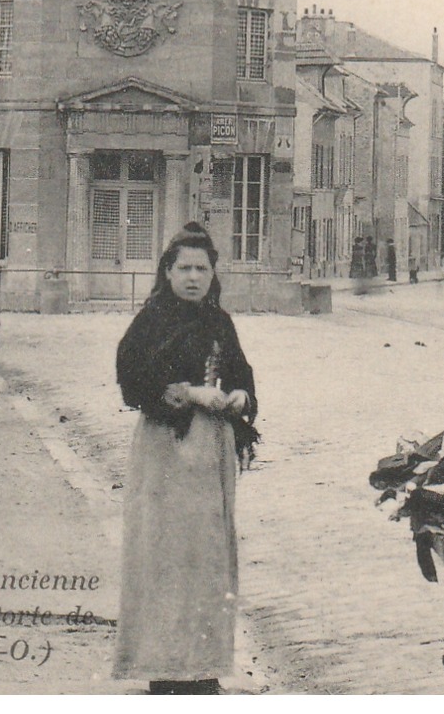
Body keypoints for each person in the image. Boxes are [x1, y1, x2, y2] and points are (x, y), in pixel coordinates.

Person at [114, 223, 259, 695]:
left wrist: (239, 395)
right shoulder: (151, 320)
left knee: (208, 558)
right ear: (168, 272)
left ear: (213, 273)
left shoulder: (220, 321)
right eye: (184, 269)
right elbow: (132, 380)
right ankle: (165, 669)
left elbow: (241, 373)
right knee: (166, 555)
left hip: (211, 451)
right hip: (166, 451)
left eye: (202, 268)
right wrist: (189, 393)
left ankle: (203, 668)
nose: (193, 277)